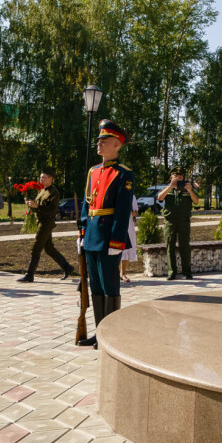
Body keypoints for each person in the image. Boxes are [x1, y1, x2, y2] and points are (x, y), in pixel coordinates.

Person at [77, 120, 134, 347]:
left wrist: (117, 241)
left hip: (109, 238)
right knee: (96, 287)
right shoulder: (93, 171)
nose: (99, 144)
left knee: (110, 287)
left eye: (104, 141)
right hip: (91, 235)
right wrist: (82, 232)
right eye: (99, 141)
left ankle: (110, 336)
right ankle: (99, 333)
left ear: (117, 145)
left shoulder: (124, 174)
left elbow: (122, 211)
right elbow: (86, 204)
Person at [18, 168, 76, 283]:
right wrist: (31, 204)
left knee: (36, 247)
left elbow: (52, 211)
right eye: (40, 177)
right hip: (40, 222)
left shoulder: (54, 192)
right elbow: (38, 206)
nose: (41, 179)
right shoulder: (42, 191)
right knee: (49, 248)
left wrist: (36, 206)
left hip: (46, 223)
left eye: (43, 177)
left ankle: (29, 274)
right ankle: (67, 267)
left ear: (50, 178)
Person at [158, 166, 198, 280]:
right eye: (175, 177)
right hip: (169, 221)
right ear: (171, 178)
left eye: (180, 177)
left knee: (184, 246)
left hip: (183, 221)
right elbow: (160, 198)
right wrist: (170, 186)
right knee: (170, 246)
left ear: (183, 178)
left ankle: (187, 272)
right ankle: (172, 272)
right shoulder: (167, 189)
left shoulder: (187, 189)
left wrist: (190, 190)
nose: (178, 179)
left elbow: (196, 201)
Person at [120, 194, 139, 282]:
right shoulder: (114, 193)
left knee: (125, 249)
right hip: (115, 223)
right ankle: (114, 274)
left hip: (128, 225)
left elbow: (135, 212)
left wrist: (131, 211)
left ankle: (122, 273)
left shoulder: (131, 196)